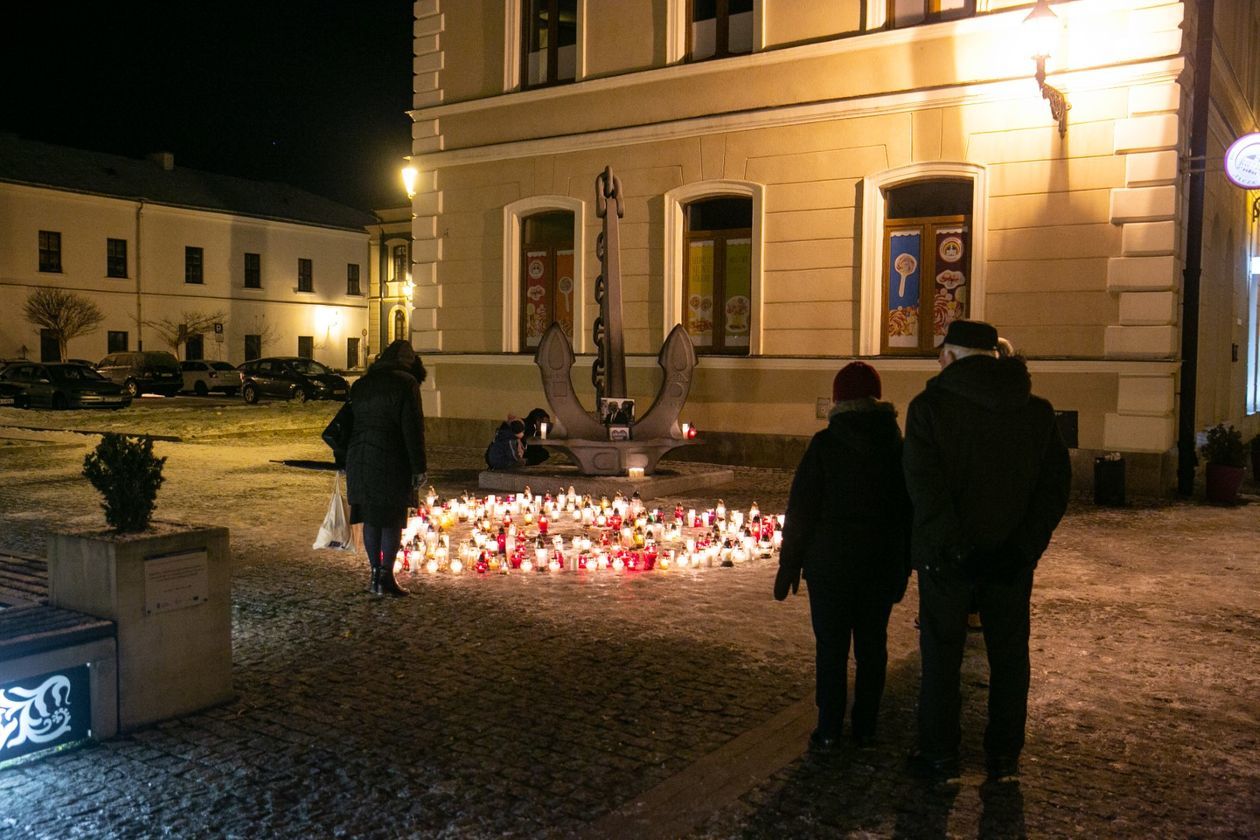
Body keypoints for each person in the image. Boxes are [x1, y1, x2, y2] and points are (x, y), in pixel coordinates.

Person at [902, 320, 1070, 780]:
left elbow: (924, 488)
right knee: (1010, 655)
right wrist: (1021, 548)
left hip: (946, 562)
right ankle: (1003, 753)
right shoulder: (1036, 412)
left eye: (942, 353)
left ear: (954, 357)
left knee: (941, 655)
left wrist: (954, 549)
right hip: (1009, 562)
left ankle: (939, 750)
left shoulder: (929, 409)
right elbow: (1054, 490)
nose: (938, 361)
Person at [774, 361, 912, 752]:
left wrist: (790, 563)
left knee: (831, 649)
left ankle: (830, 728)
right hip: (879, 565)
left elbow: (801, 508)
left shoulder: (825, 445)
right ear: (877, 398)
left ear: (838, 400)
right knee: (873, 648)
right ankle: (866, 725)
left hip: (830, 566)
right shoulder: (898, 447)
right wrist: (905, 563)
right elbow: (908, 511)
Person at [345, 339, 427, 597]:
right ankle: (386, 577)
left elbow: (350, 421)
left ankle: (374, 577)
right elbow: (412, 428)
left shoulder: (362, 384)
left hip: (359, 456)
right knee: (391, 519)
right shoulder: (406, 383)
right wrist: (419, 467)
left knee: (371, 518)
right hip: (391, 458)